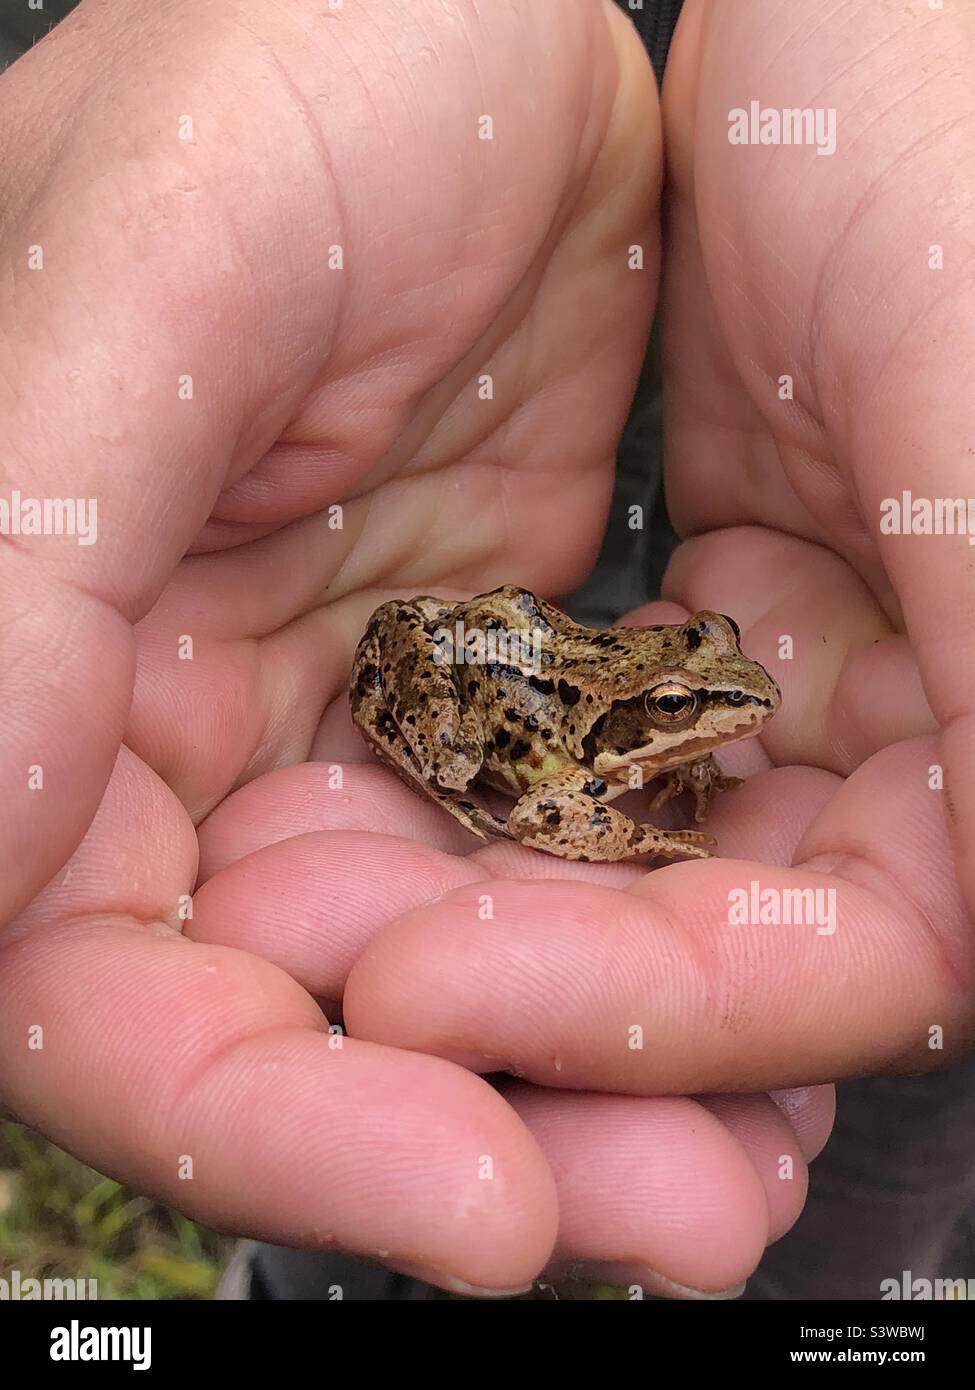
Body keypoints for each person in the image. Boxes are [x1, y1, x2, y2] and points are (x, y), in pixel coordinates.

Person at [0, 0, 972, 1300]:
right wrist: (638, 835)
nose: (726, 707)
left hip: (584, 558)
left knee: (827, 1127)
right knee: (369, 1075)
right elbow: (566, 802)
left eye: (711, 678)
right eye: (690, 704)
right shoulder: (595, 749)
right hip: (470, 633)